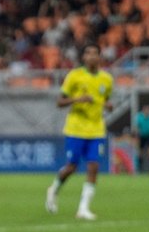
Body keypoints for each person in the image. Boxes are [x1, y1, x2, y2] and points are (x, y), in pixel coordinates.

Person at [45, 43, 113, 220]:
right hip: (76, 128)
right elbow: (59, 102)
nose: (91, 56)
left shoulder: (107, 79)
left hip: (97, 129)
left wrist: (108, 105)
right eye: (88, 53)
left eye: (94, 53)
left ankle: (83, 209)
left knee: (94, 167)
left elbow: (105, 100)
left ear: (99, 57)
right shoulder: (74, 76)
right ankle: (54, 188)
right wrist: (77, 99)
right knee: (72, 166)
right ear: (83, 58)